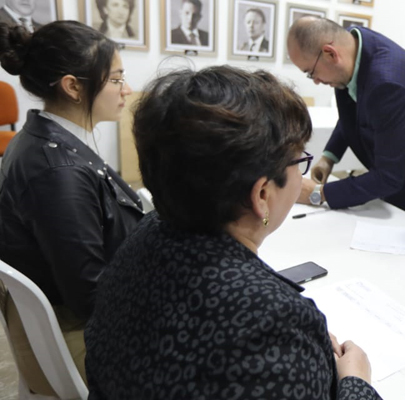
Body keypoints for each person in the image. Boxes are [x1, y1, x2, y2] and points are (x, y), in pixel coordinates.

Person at [84, 66, 382, 400]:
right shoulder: (274, 324)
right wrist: (357, 383)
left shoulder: (144, 235)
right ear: (262, 196)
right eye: (300, 162)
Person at [0, 20, 142, 395]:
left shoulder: (51, 140)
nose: (126, 90)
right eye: (115, 80)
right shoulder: (55, 170)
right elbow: (89, 295)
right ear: (73, 86)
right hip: (82, 335)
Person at [287, 17, 405, 228]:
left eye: (311, 73)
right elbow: (354, 108)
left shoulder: (388, 85)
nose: (316, 81)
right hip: (397, 173)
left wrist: (317, 194)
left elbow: (388, 178)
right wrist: (329, 157)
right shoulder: (354, 43)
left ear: (330, 53)